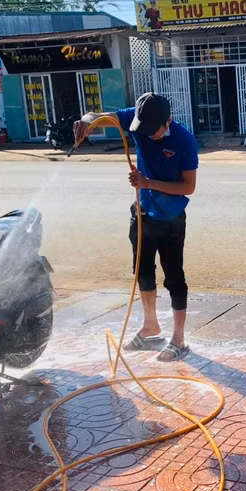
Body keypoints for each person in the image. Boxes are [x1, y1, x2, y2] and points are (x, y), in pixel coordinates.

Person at [74, 93, 198, 362]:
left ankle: (179, 339)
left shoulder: (184, 141)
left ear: (168, 121)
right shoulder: (139, 118)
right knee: (142, 270)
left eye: (153, 132)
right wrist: (87, 120)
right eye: (143, 130)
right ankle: (151, 328)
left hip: (171, 217)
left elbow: (188, 187)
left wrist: (148, 183)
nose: (147, 136)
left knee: (174, 276)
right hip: (142, 212)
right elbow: (102, 117)